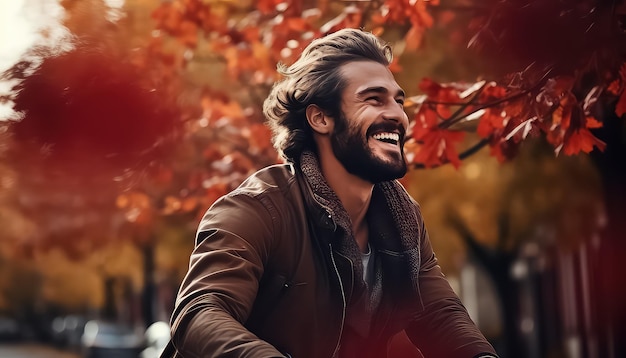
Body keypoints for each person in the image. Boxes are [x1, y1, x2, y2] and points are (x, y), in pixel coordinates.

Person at [162, 28, 499, 358]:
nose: (398, 115)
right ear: (320, 118)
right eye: (373, 99)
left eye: (398, 101)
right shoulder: (258, 209)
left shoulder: (403, 221)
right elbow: (198, 314)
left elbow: (438, 314)